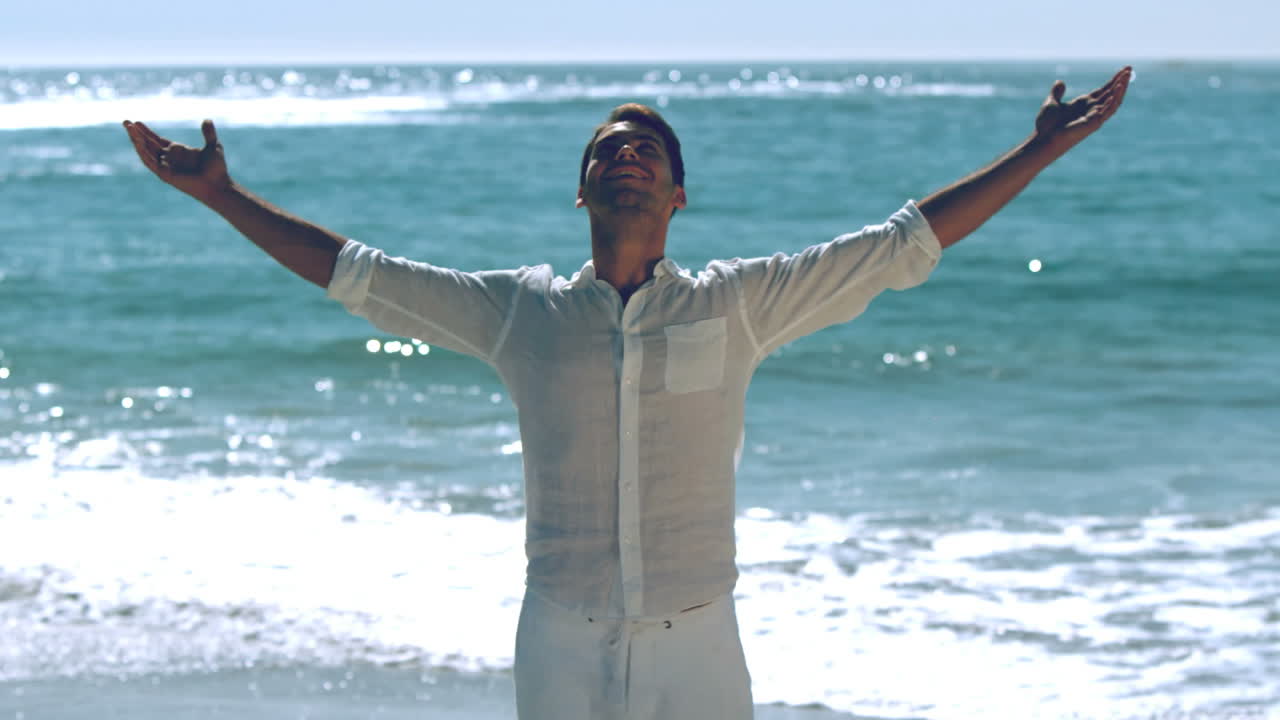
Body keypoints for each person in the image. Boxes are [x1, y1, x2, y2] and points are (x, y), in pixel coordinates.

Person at [122, 65, 1131, 719]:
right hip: (559, 634)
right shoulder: (520, 313)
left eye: (647, 148)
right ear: (583, 190)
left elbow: (901, 244)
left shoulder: (739, 304)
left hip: (699, 636)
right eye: (608, 147)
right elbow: (359, 274)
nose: (627, 154)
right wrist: (220, 195)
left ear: (677, 194)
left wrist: (1042, 146)